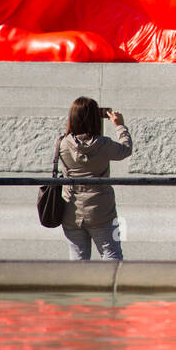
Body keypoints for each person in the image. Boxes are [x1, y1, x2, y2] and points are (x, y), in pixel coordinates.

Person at [57, 97, 131, 260]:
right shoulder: (103, 144)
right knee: (112, 254)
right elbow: (126, 149)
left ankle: (80, 286)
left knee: (77, 259)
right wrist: (119, 126)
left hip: (71, 209)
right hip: (102, 210)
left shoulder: (62, 144)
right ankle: (110, 285)